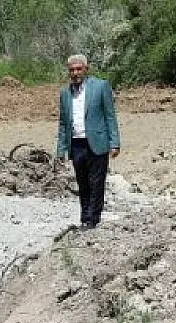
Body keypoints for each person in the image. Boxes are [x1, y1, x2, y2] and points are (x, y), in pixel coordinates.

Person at [55, 54, 121, 229]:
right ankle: (84, 217)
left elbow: (110, 115)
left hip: (97, 142)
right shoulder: (65, 93)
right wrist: (61, 149)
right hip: (76, 144)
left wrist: (114, 142)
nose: (75, 73)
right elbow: (63, 123)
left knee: (96, 182)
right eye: (72, 70)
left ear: (86, 69)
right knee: (82, 183)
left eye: (78, 69)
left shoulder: (100, 87)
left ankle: (93, 219)